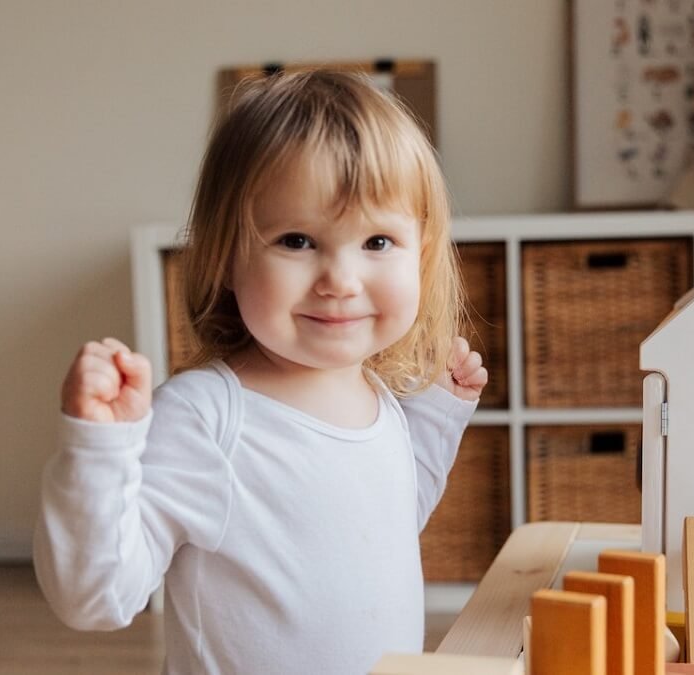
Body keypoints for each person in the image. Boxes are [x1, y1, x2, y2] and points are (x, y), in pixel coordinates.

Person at [33, 70, 488, 674]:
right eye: (297, 240)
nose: (341, 281)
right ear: (225, 255)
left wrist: (433, 417)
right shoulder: (207, 418)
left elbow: (388, 528)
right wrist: (98, 451)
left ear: (422, 255)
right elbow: (98, 596)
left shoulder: (377, 397)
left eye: (377, 242)